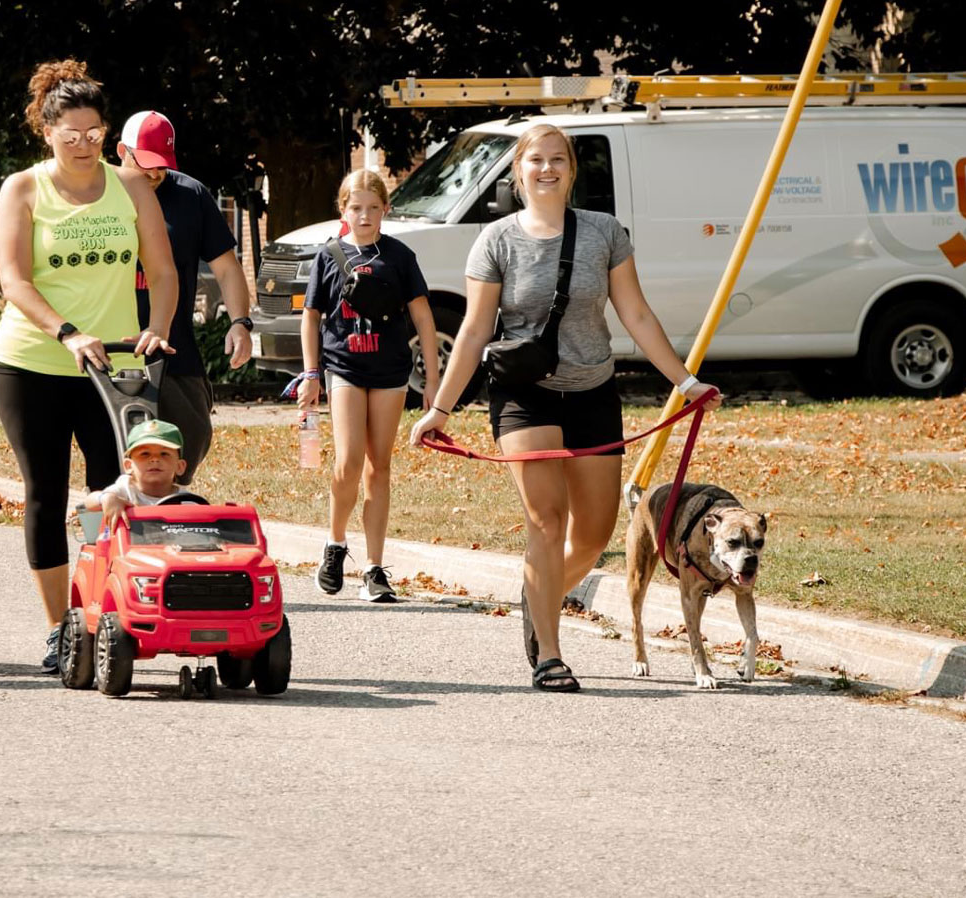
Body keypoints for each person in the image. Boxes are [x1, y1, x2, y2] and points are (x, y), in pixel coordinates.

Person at [407, 123, 719, 692]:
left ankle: (539, 596)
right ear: (518, 172)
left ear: (572, 170)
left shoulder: (604, 232)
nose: (546, 169)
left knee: (594, 534)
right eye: (536, 160)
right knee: (546, 521)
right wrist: (440, 410)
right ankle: (549, 655)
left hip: (593, 391)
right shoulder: (496, 241)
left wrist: (686, 382)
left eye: (557, 160)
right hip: (524, 396)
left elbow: (636, 313)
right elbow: (473, 331)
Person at [0, 60, 177, 673]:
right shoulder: (23, 189)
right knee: (46, 494)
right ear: (47, 131)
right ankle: (60, 630)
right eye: (70, 133)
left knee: (115, 491)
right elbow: (14, 280)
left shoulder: (131, 186)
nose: (82, 143)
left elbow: (164, 271)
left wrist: (157, 329)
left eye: (93, 132)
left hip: (116, 368)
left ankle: (105, 616)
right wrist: (67, 332)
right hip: (32, 363)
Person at [297, 169, 439, 603]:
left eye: (373, 208)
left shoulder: (399, 256)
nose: (364, 215)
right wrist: (311, 373)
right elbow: (311, 317)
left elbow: (423, 318)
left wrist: (433, 381)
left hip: (391, 372)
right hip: (344, 368)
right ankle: (335, 544)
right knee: (349, 461)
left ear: (385, 209)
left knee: (380, 466)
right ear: (343, 210)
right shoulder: (328, 256)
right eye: (356, 207)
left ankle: (375, 569)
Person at [116, 109, 254, 482]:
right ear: (122, 151)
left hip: (175, 350)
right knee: (119, 460)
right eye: (144, 163)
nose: (154, 173)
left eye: (161, 164)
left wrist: (240, 323)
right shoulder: (100, 195)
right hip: (112, 350)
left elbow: (227, 267)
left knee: (188, 443)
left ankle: (169, 513)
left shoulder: (191, 195)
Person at [79, 419, 188, 529]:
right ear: (128, 466)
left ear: (180, 466)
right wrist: (106, 498)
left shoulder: (186, 500)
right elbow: (89, 502)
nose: (155, 459)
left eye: (164, 454)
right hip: (126, 540)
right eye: (145, 454)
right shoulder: (125, 490)